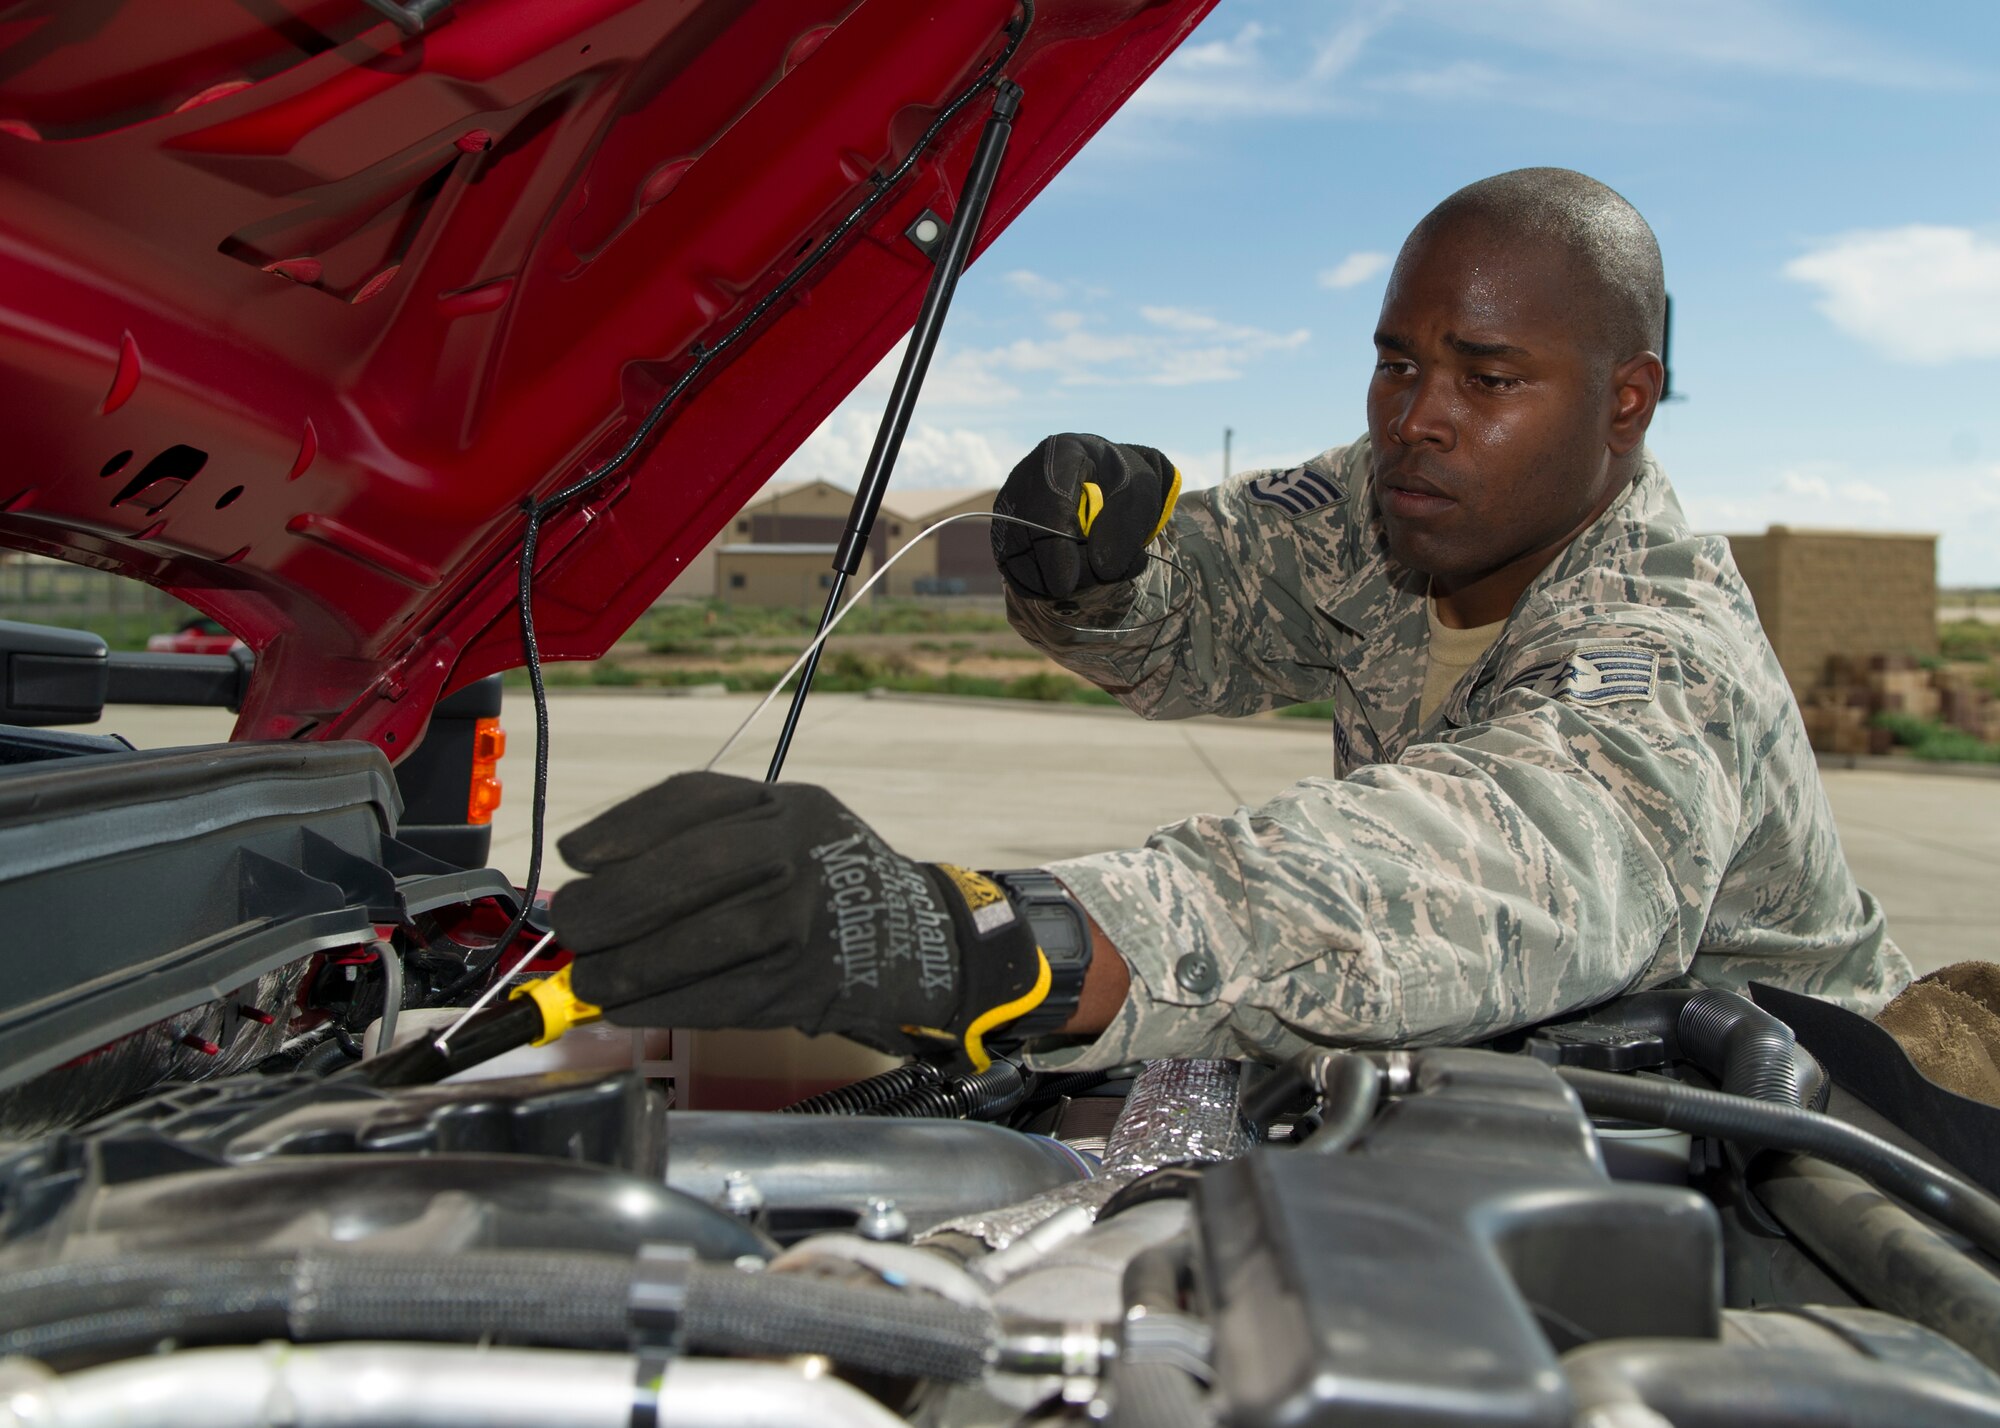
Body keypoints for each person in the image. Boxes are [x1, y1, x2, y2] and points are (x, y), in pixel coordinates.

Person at [550, 168, 1910, 1073]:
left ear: (1629, 398)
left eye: (1488, 377)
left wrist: (984, 937)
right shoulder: (1391, 504)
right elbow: (1189, 621)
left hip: (1794, 1151)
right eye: (1397, 362)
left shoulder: (1662, 648)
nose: (1415, 417)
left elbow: (1490, 868)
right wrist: (1081, 571)